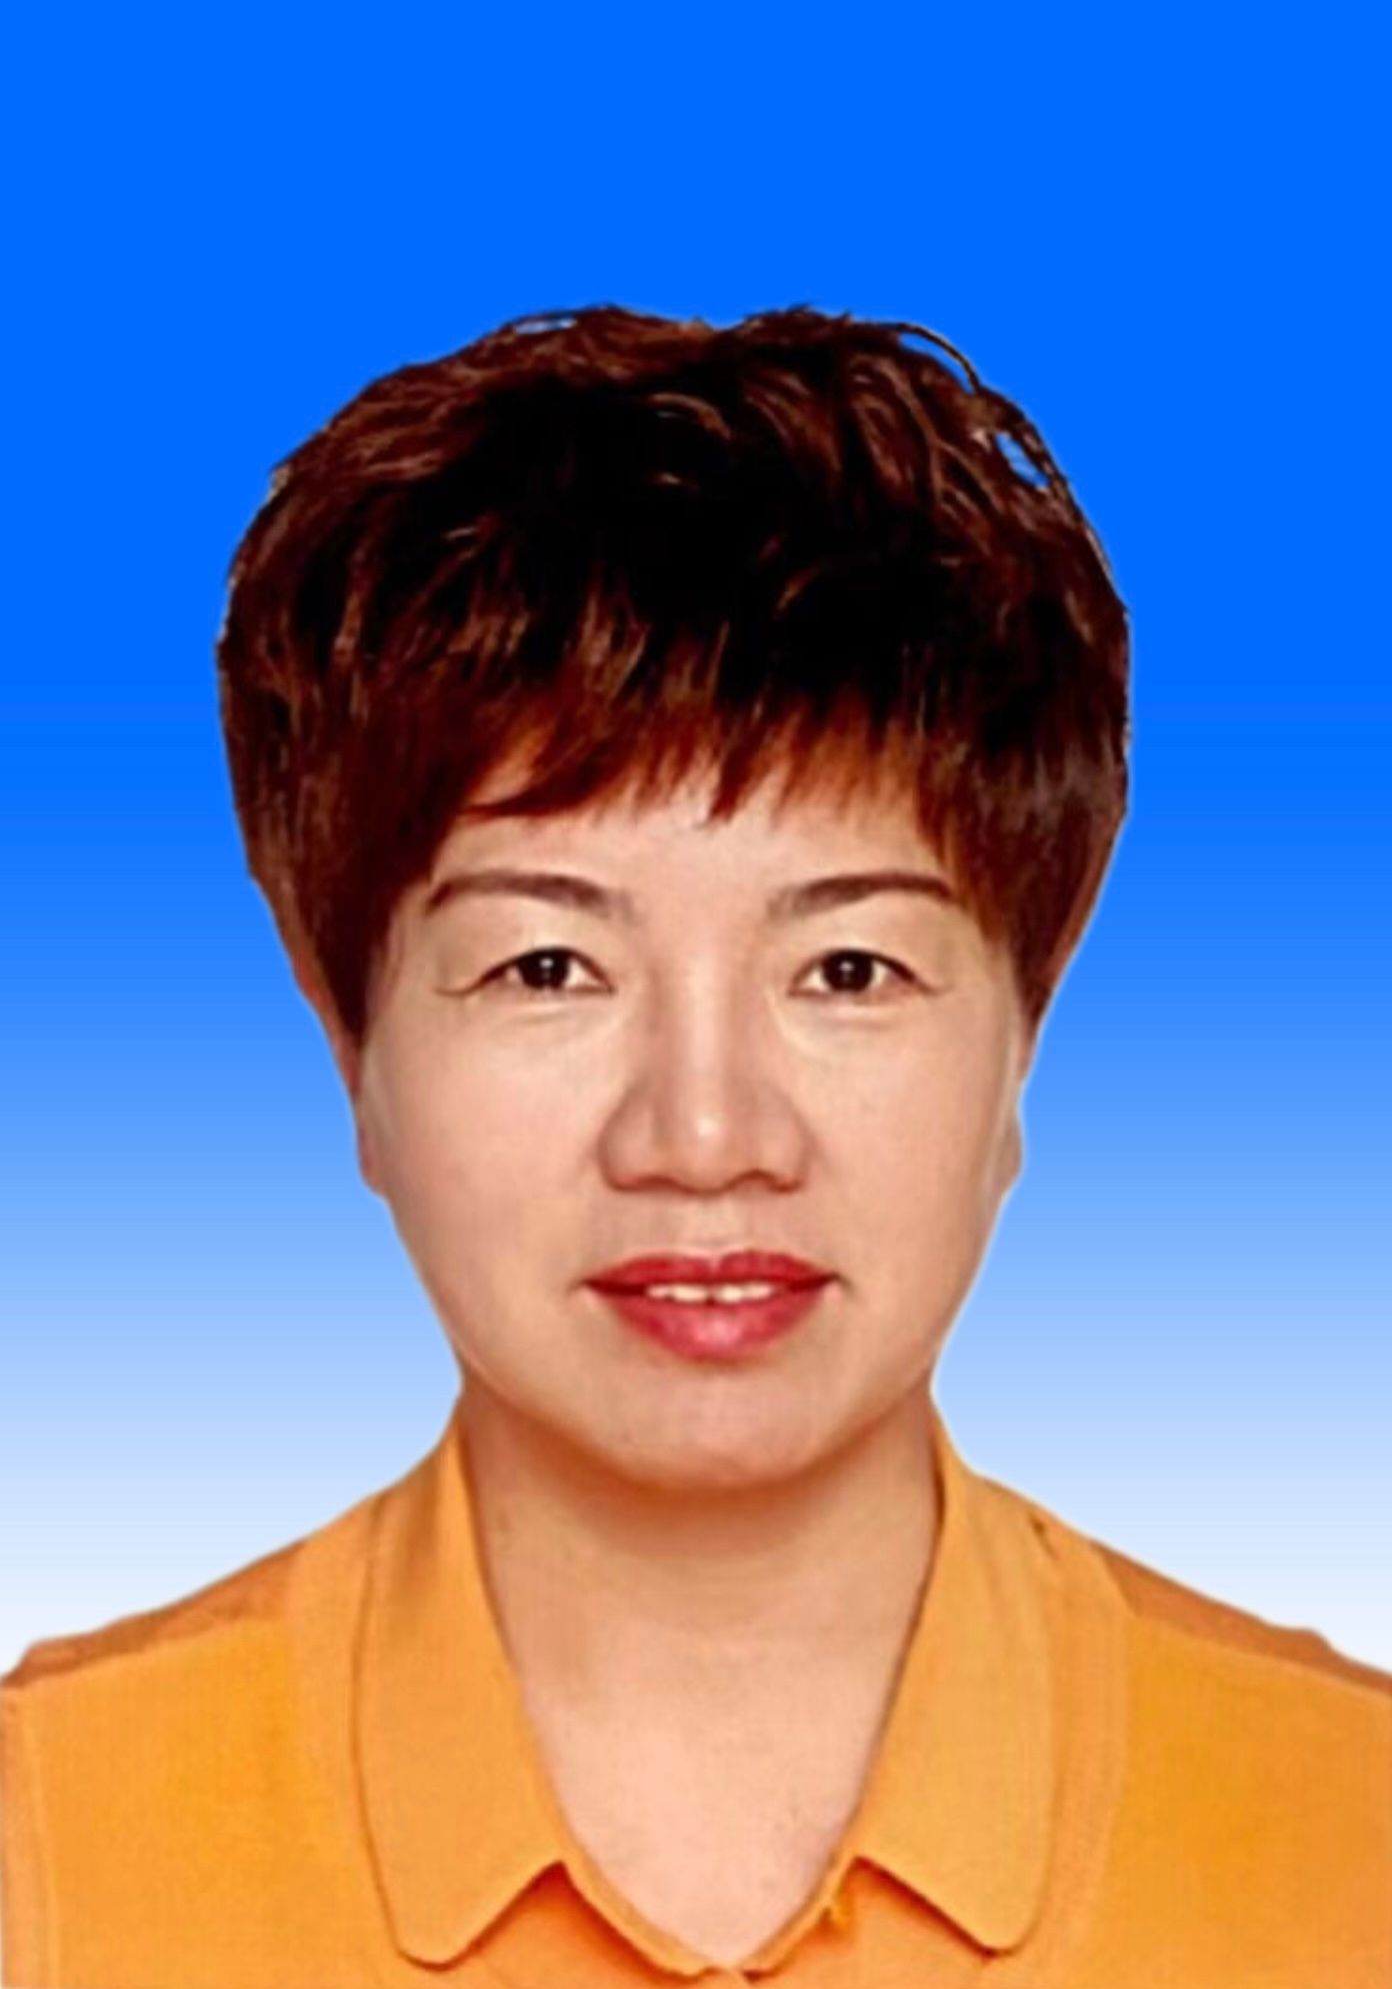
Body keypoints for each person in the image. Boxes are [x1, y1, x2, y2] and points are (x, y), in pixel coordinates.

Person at [2, 304, 1388, 1988]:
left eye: (849, 970)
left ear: (1026, 1028)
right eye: (547, 968)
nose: (707, 1137)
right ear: (346, 1038)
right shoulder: (49, 1835)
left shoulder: (1350, 1828)